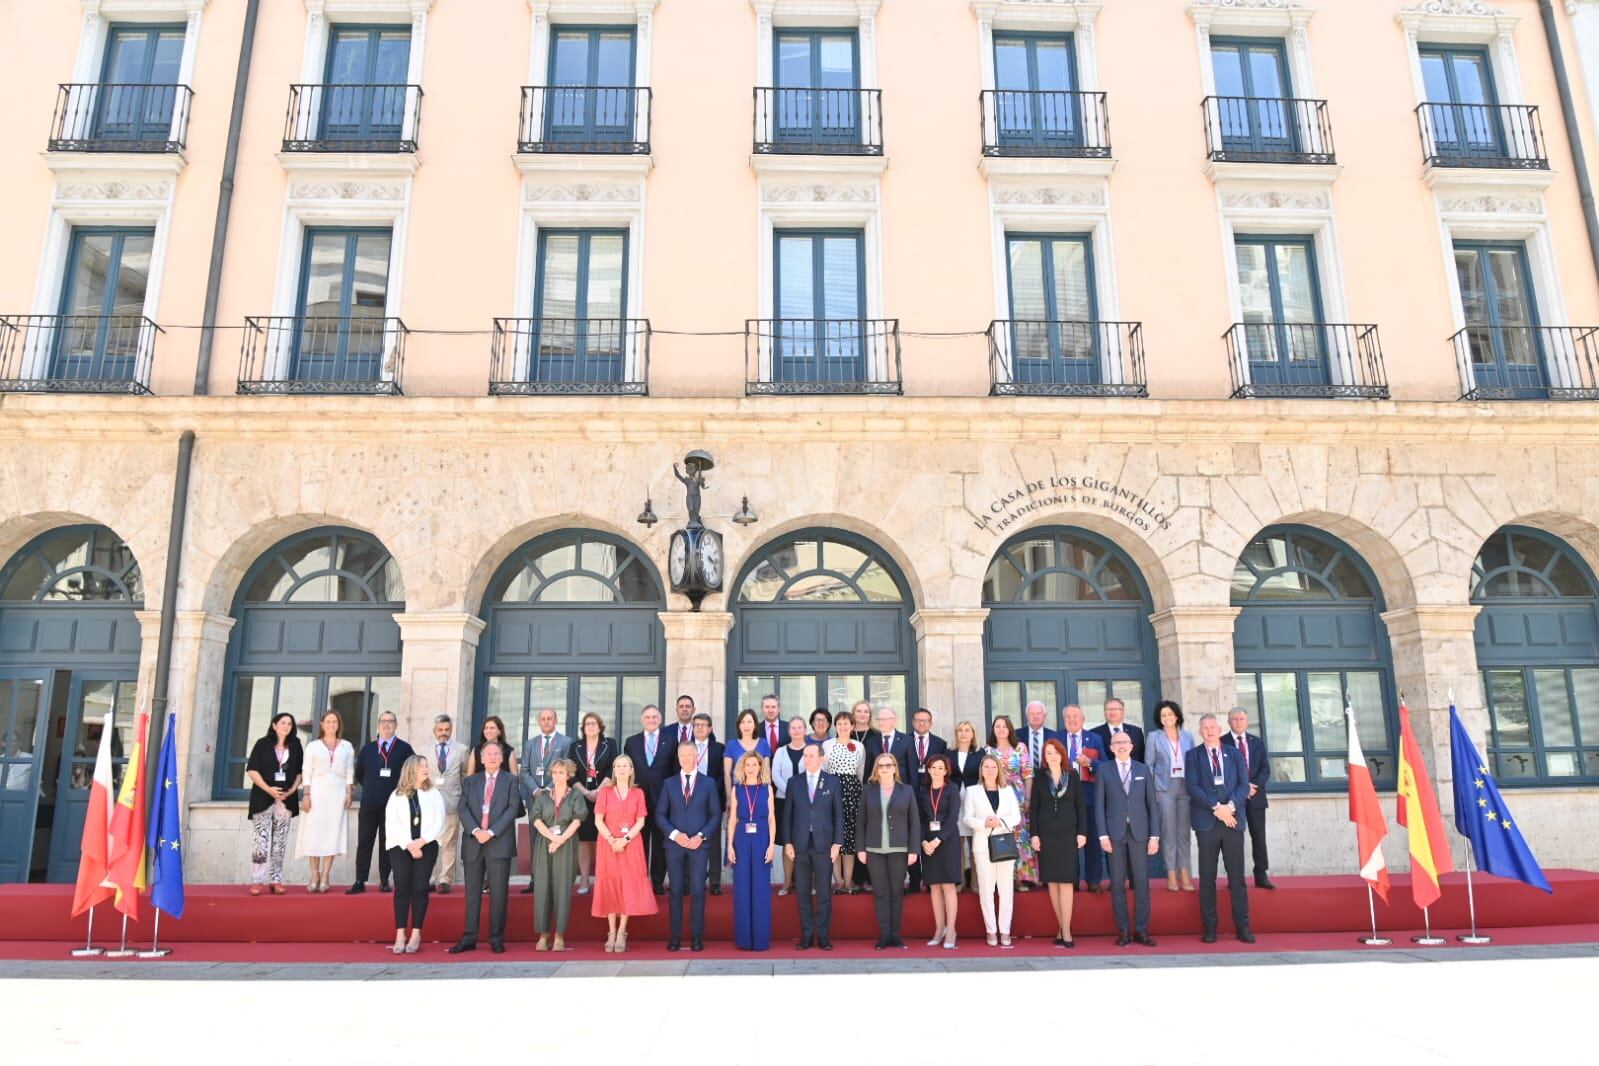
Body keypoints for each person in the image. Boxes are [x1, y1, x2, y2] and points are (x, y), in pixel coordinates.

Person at [449, 740, 521, 954]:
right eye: (488, 754)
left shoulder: (510, 781)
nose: (492, 757)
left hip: (499, 842)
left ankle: (496, 938)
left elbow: (512, 809)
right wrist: (475, 831)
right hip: (474, 843)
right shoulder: (471, 781)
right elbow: (462, 808)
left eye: (496, 754)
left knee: (499, 893)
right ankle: (469, 937)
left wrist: (490, 832)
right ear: (481, 758)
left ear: (501, 758)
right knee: (472, 893)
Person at [1186, 713, 1253, 943]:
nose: (1209, 731)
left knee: (1237, 878)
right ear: (1200, 731)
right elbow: (1192, 786)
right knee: (1207, 878)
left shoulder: (1234, 753)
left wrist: (1230, 807)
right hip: (1207, 823)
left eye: (1213, 727)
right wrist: (1217, 807)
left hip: (1233, 822)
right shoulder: (1193, 755)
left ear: (1219, 728)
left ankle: (1242, 928)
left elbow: (1244, 785)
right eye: (1205, 727)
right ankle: (1210, 928)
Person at [1096, 731, 1161, 947]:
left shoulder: (1143, 769)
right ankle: (1123, 930)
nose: (1121, 745)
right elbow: (1099, 806)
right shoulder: (1104, 770)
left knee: (1141, 883)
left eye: (1125, 742)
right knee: (1117, 883)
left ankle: (1142, 930)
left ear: (1132, 746)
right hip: (1114, 834)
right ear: (1111, 747)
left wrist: (1154, 836)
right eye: (1117, 743)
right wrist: (1103, 835)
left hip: (1140, 833)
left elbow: (1152, 804)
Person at [657, 741, 721, 951]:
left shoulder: (708, 783)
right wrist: (675, 835)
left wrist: (700, 836)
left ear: (697, 757)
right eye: (682, 755)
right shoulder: (668, 783)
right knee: (675, 891)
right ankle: (675, 937)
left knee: (697, 891)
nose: (685, 759)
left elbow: (715, 815)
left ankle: (696, 937)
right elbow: (660, 814)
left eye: (689, 755)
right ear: (678, 757)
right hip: (675, 846)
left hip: (699, 846)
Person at [593, 753, 656, 952]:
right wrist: (613, 840)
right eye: (617, 765)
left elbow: (641, 821)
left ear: (631, 770)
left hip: (631, 845)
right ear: (614, 770)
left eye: (625, 766)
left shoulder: (638, 793)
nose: (621, 769)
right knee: (611, 886)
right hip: (608, 844)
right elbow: (598, 820)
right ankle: (610, 931)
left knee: (627, 886)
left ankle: (622, 932)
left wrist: (624, 840)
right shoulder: (605, 792)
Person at [857, 753, 921, 949]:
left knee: (896, 893)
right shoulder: (868, 790)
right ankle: (884, 936)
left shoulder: (906, 790)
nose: (884, 768)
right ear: (876, 769)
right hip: (874, 849)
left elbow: (915, 822)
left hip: (899, 849)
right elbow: (861, 822)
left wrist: (913, 849)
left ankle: (895, 936)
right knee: (881, 893)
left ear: (894, 768)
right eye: (881, 765)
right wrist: (861, 848)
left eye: (888, 765)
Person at [783, 743, 843, 950]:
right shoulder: (794, 782)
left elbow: (839, 815)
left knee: (824, 893)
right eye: (805, 756)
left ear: (821, 758)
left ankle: (823, 936)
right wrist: (788, 842)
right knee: (802, 893)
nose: (807, 759)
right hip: (799, 844)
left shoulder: (833, 782)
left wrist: (837, 843)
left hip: (824, 845)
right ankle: (807, 936)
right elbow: (787, 815)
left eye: (810, 755)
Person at [385, 755, 446, 954]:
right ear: (411, 769)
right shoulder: (396, 795)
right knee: (402, 887)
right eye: (422, 766)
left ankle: (416, 933)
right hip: (400, 847)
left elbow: (440, 821)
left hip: (427, 846)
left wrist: (422, 841)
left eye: (427, 765)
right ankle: (400, 933)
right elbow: (391, 824)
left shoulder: (434, 793)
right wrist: (410, 845)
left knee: (420, 888)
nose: (426, 768)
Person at [1029, 738, 1086, 947]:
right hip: (1046, 836)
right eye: (1048, 753)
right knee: (1052, 881)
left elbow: (1081, 806)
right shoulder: (1040, 778)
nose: (1051, 756)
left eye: (1055, 752)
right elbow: (1033, 808)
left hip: (1068, 835)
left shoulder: (1072, 776)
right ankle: (1061, 927)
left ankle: (1067, 930)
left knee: (1066, 881)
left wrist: (1082, 832)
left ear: (1062, 755)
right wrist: (1034, 834)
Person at [349, 711, 414, 895]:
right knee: (364, 842)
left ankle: (385, 880)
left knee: (388, 843)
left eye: (391, 721)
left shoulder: (405, 749)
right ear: (378, 725)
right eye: (383, 721)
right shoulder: (368, 749)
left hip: (393, 805)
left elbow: (411, 773)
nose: (387, 725)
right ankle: (360, 880)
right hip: (369, 803)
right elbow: (359, 773)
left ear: (396, 725)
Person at [962, 753, 1021, 947]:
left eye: (993, 767)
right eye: (986, 767)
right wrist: (984, 823)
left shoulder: (1008, 790)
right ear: (981, 770)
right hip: (982, 845)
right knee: (986, 890)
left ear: (999, 770)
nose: (989, 770)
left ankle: (1005, 930)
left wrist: (1001, 822)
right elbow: (967, 818)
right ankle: (991, 930)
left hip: (1004, 843)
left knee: (1006, 890)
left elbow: (1017, 817)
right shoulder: (972, 791)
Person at [529, 757, 587, 951]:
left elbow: (578, 820)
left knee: (562, 889)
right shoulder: (544, 796)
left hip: (567, 844)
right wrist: (552, 839)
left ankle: (560, 935)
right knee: (543, 888)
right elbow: (536, 819)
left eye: (561, 772)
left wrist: (560, 840)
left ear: (569, 774)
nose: (557, 776)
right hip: (544, 844)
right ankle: (544, 934)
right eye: (554, 772)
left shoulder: (575, 796)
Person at [296, 710, 354, 892]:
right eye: (328, 722)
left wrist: (349, 792)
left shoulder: (347, 746)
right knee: (315, 833)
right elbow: (306, 771)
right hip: (317, 792)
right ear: (322, 724)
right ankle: (314, 874)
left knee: (332, 833)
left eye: (334, 722)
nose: (331, 725)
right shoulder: (313, 746)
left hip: (337, 793)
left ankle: (326, 875)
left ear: (339, 725)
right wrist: (306, 794)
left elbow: (350, 771)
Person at [245, 712, 302, 895]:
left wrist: (292, 790)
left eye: (289, 724)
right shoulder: (263, 744)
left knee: (280, 842)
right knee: (260, 841)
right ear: (274, 725)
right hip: (263, 798)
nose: (286, 726)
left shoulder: (296, 745)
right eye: (283, 723)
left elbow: (300, 772)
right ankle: (257, 881)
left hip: (286, 800)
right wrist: (269, 790)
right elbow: (252, 770)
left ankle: (275, 880)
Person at [622, 704, 675, 895]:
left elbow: (674, 771)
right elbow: (625, 771)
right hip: (637, 801)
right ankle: (639, 881)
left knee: (661, 843)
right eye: (648, 717)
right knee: (638, 843)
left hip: (663, 800)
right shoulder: (631, 742)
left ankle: (658, 883)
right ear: (642, 720)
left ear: (660, 720)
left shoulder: (671, 741)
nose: (651, 720)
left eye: (654, 717)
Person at [727, 751, 777, 950]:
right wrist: (729, 845)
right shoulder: (737, 789)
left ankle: (760, 939)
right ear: (742, 767)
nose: (750, 768)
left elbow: (773, 819)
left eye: (754, 764)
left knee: (761, 890)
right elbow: (732, 819)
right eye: (747, 765)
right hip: (741, 838)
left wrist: (772, 844)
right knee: (742, 888)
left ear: (760, 767)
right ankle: (744, 939)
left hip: (762, 837)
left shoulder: (767, 789)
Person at [1146, 700, 1195, 892]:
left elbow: (1193, 760)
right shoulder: (1154, 737)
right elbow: (1149, 763)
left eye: (1170, 714)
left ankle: (1185, 872)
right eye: (1163, 715)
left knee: (1184, 833)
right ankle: (1171, 874)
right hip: (1164, 788)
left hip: (1186, 788)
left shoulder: (1188, 736)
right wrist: (1152, 791)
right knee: (1169, 833)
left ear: (1177, 716)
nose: (1166, 718)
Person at [917, 753, 962, 948]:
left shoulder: (952, 789)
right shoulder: (922, 791)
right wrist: (923, 842)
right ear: (928, 769)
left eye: (940, 768)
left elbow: (953, 819)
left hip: (947, 841)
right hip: (928, 844)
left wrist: (938, 840)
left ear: (946, 771)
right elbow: (918, 819)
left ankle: (951, 930)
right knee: (934, 886)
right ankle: (939, 928)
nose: (936, 771)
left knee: (948, 886)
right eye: (933, 767)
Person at [986, 715, 1036, 889]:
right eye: (997, 726)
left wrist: (1028, 798)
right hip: (997, 795)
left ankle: (1020, 878)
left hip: (1018, 796)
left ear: (1010, 729)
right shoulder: (988, 750)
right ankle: (1002, 879)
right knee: (1000, 835)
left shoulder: (1020, 748)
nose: (1001, 729)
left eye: (1004, 726)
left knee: (1019, 837)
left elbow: (1028, 774)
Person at [1060, 705, 1105, 892]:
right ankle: (1072, 879)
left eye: (1075, 716)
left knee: (1092, 840)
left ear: (1083, 719)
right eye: (1068, 717)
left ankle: (1093, 880)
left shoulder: (1094, 738)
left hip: (1089, 795)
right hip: (1064, 796)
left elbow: (1106, 766)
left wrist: (1091, 763)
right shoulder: (1055, 738)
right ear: (1064, 720)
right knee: (1067, 841)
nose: (1072, 719)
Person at [1227, 706, 1274, 889]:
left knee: (1259, 837)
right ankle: (1235, 878)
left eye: (1242, 719)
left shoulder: (1257, 742)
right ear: (1229, 721)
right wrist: (1241, 788)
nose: (1238, 722)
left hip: (1256, 796)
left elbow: (1265, 768)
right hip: (1233, 798)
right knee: (1233, 840)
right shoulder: (1222, 741)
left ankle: (1261, 875)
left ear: (1247, 722)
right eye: (1235, 719)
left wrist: (1253, 786)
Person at [569, 712, 615, 896]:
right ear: (583, 727)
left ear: (600, 726)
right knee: (584, 841)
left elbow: (613, 767)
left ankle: (601, 879)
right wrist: (586, 792)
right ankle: (585, 879)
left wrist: (599, 791)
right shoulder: (576, 746)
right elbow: (571, 773)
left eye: (594, 723)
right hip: (582, 798)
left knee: (602, 840)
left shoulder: (609, 744)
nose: (590, 726)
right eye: (587, 723)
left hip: (604, 797)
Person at [822, 709, 866, 893]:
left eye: (846, 723)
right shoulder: (827, 745)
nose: (843, 726)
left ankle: (848, 882)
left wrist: (858, 793)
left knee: (849, 839)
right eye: (839, 723)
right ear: (835, 726)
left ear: (852, 726)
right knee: (834, 838)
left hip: (853, 793)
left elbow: (861, 773)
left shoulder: (859, 746)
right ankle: (838, 881)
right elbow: (823, 770)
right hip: (832, 791)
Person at [428, 714, 469, 893]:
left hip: (453, 802)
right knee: (428, 842)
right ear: (434, 731)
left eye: (447, 730)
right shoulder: (424, 750)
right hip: (430, 804)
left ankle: (445, 879)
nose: (443, 733)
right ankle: (428, 878)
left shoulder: (461, 750)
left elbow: (466, 775)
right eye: (440, 730)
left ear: (451, 730)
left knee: (449, 843)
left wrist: (463, 799)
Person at [770, 716, 809, 896]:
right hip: (783, 801)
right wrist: (791, 791)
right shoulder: (780, 751)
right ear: (789, 731)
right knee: (788, 841)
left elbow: (813, 772)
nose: (796, 731)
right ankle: (787, 881)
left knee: (806, 840)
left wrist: (800, 795)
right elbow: (775, 774)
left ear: (805, 730)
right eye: (793, 728)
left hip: (807, 802)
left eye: (799, 727)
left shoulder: (811, 750)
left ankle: (806, 881)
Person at [690, 713, 727, 895]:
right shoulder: (685, 748)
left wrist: (710, 792)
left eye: (704, 725)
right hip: (689, 802)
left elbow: (723, 774)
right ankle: (693, 880)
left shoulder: (719, 748)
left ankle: (714, 882)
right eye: (696, 725)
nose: (700, 728)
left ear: (710, 728)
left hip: (713, 801)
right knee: (691, 839)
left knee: (713, 843)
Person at [950, 720, 984, 889]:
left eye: (967, 730)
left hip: (974, 804)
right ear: (956, 733)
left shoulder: (980, 753)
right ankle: (960, 881)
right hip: (955, 803)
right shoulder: (949, 753)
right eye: (960, 730)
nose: (963, 733)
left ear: (973, 734)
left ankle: (976, 883)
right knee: (957, 846)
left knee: (975, 846)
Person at [723, 708, 772, 801]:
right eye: (743, 722)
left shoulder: (763, 743)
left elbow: (766, 772)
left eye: (749, 722)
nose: (746, 726)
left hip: (759, 794)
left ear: (755, 725)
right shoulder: (731, 744)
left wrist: (767, 797)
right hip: (738, 795)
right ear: (739, 726)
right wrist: (729, 797)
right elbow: (727, 773)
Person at [864, 705, 912, 784]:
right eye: (879, 719)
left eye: (884, 719)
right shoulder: (871, 742)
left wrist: (912, 792)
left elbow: (912, 769)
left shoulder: (907, 740)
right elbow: (868, 770)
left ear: (894, 720)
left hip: (900, 788)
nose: (880, 722)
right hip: (877, 787)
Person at [1091, 696, 1146, 764]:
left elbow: (1141, 757)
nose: (1113, 712)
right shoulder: (1094, 733)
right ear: (1104, 712)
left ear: (1123, 712)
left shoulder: (1136, 732)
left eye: (1116, 709)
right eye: (1109, 709)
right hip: (1106, 773)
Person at [1020, 700, 1061, 773]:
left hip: (1048, 779)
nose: (1035, 716)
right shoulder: (1016, 735)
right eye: (1031, 714)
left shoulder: (1055, 736)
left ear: (1044, 716)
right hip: (1024, 779)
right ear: (1027, 716)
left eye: (1038, 713)